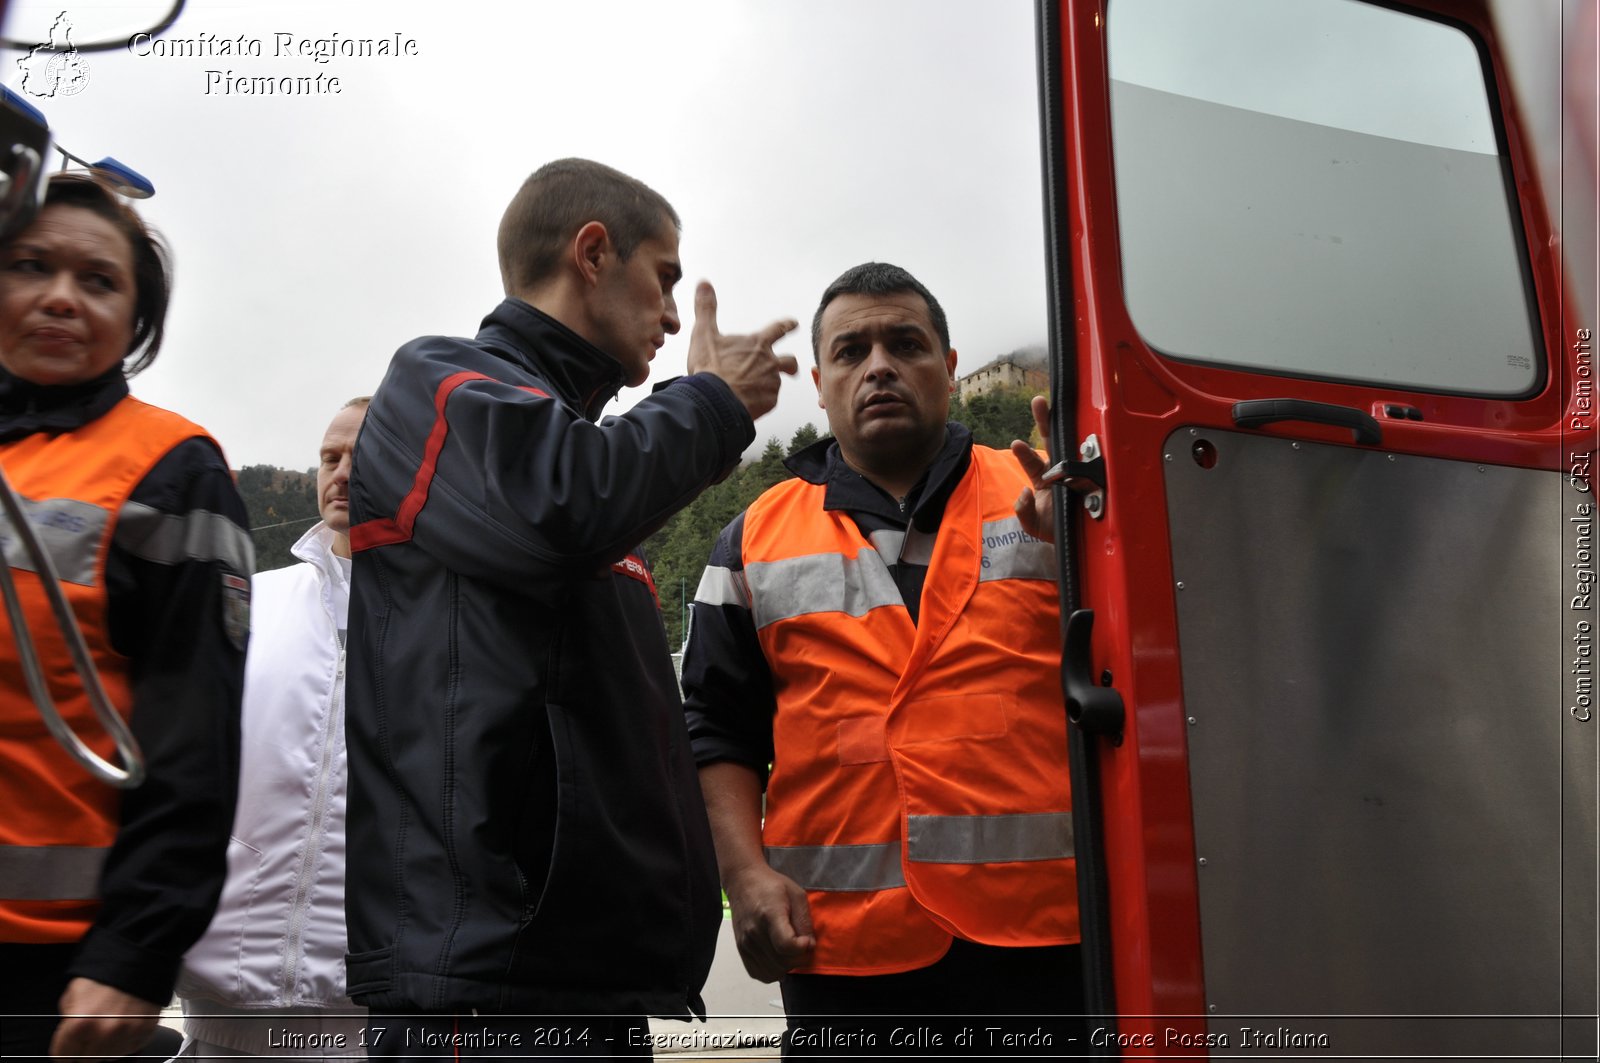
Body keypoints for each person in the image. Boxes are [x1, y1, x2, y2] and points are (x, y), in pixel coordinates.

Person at [342, 157, 799, 1059]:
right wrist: (709, 402)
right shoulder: (436, 383)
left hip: (573, 978)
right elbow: (560, 510)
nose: (673, 314)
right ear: (593, 251)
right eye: (663, 276)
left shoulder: (577, 441)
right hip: (486, 989)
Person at [681, 261, 1086, 1057]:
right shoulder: (751, 540)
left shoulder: (1050, 500)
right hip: (842, 954)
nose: (879, 366)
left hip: (1046, 938)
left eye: (906, 343)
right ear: (824, 387)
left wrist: (1088, 551)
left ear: (951, 365)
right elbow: (713, 728)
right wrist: (744, 875)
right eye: (850, 351)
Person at [0, 173, 250, 1062]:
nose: (62, 296)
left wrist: (136, 955)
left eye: (99, 280)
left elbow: (194, 744)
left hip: (54, 971)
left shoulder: (171, 470)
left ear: (136, 319)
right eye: (31, 265)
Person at [176, 398, 372, 1059]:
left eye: (361, 453)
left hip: (364, 1012)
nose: (340, 472)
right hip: (220, 1003)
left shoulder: (445, 620)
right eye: (328, 456)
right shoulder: (252, 602)